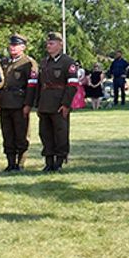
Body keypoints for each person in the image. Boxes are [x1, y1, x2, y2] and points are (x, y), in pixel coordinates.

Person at [36, 32, 78, 172]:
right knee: (45, 133)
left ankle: (59, 161)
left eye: (52, 43)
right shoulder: (43, 62)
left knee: (60, 132)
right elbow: (38, 84)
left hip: (59, 103)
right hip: (45, 102)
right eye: (47, 43)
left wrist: (66, 104)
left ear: (60, 44)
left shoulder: (68, 62)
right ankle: (48, 161)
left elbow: (72, 85)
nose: (48, 46)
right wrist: (37, 104)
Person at [0, 34, 37, 172]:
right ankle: (10, 163)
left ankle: (20, 163)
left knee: (21, 134)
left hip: (20, 103)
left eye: (16, 45)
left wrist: (28, 104)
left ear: (23, 47)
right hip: (5, 102)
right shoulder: (4, 62)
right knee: (7, 134)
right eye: (11, 45)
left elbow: (32, 86)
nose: (12, 48)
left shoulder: (28, 63)